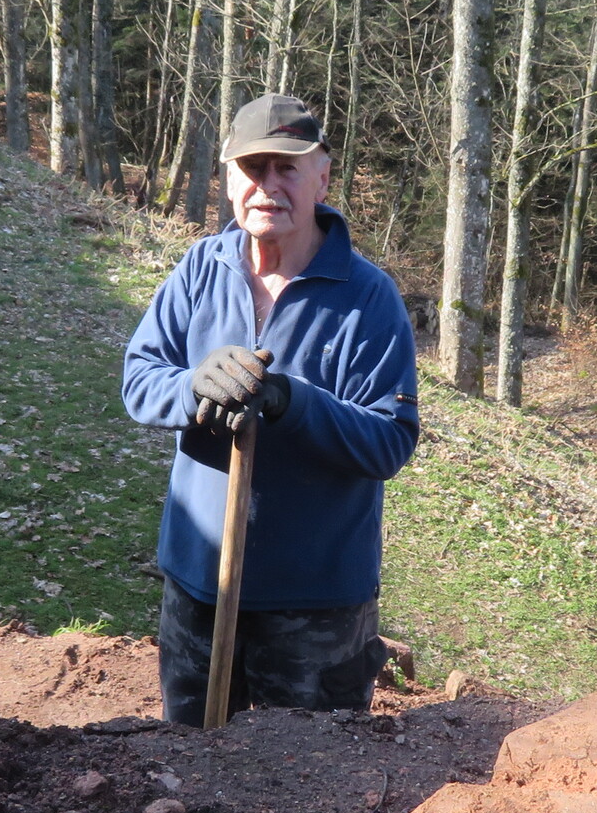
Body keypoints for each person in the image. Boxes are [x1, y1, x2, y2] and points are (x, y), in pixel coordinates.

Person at [121, 93, 418, 725]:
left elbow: (390, 441)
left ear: (322, 178)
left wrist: (293, 401)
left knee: (313, 772)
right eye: (253, 168)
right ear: (230, 180)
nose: (269, 186)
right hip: (199, 589)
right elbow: (140, 380)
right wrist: (194, 388)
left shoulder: (368, 297)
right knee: (193, 760)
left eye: (288, 168)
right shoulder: (200, 269)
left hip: (317, 608)